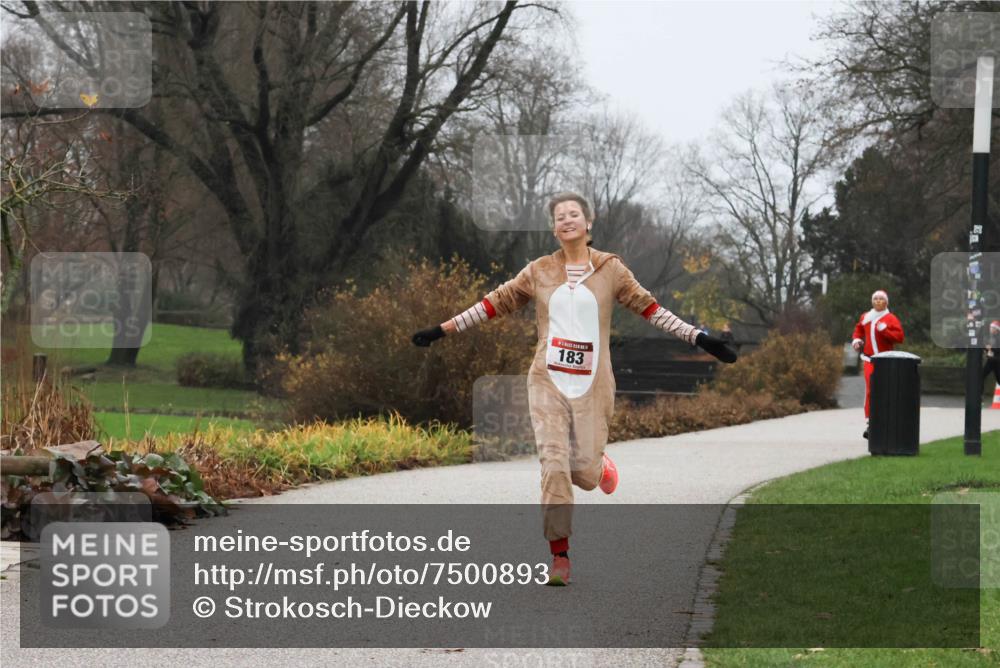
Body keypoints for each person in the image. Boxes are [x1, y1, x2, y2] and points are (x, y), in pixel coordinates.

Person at [412, 191, 738, 586]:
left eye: (573, 214)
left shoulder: (611, 269)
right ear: (554, 228)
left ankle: (600, 467)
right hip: (546, 380)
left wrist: (700, 338)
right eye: (559, 216)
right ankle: (559, 556)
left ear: (588, 223)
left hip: (592, 385)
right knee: (553, 462)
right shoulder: (539, 271)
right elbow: (492, 304)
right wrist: (441, 330)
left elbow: (651, 309)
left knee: (581, 473)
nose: (566, 220)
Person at [851, 289, 904, 439]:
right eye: (875, 299)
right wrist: (857, 340)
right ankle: (870, 423)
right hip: (869, 360)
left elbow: (900, 337)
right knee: (871, 390)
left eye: (881, 299)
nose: (878, 302)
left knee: (886, 390)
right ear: (872, 302)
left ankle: (886, 421)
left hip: (886, 359)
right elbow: (858, 329)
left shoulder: (891, 318)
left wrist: (885, 330)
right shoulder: (865, 317)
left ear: (886, 302)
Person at [984, 320, 1000, 391]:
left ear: (996, 329)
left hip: (997, 361)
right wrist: (986, 349)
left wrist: (991, 348)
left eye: (992, 327)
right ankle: (980, 396)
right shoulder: (990, 337)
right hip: (991, 360)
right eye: (990, 327)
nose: (990, 329)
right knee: (981, 376)